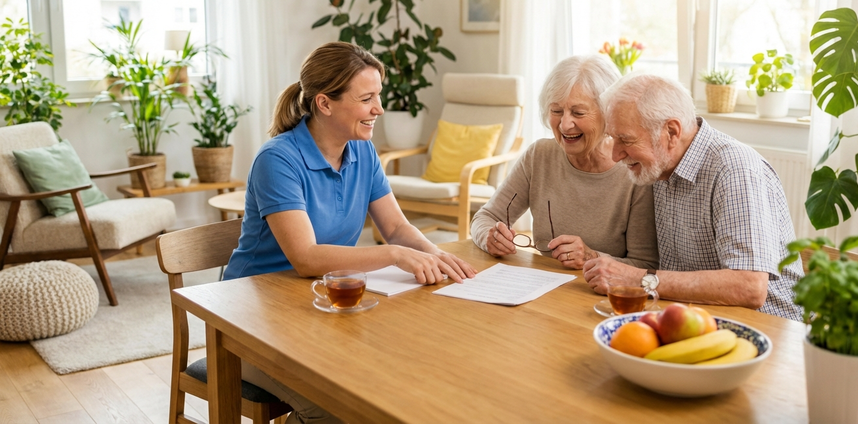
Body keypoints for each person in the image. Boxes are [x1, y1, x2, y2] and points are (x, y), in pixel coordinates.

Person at [224, 42, 476, 423]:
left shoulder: (362, 152)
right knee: (341, 407)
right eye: (367, 99)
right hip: (249, 323)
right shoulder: (278, 160)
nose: (379, 109)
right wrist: (393, 255)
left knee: (398, 384)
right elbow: (306, 257)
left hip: (321, 310)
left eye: (379, 96)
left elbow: (394, 227)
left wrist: (433, 255)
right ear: (325, 104)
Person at [584, 73, 803, 321]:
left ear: (671, 132)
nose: (615, 155)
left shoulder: (735, 169)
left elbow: (750, 287)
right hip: (696, 319)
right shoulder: (659, 167)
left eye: (626, 140)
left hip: (769, 330)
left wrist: (639, 279)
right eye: (614, 138)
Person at [470, 54, 658, 274]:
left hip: (598, 298)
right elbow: (485, 218)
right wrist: (488, 237)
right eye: (556, 111)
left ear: (608, 112)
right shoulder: (539, 156)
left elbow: (646, 267)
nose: (565, 124)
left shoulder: (634, 172)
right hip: (542, 288)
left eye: (578, 112)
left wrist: (592, 257)